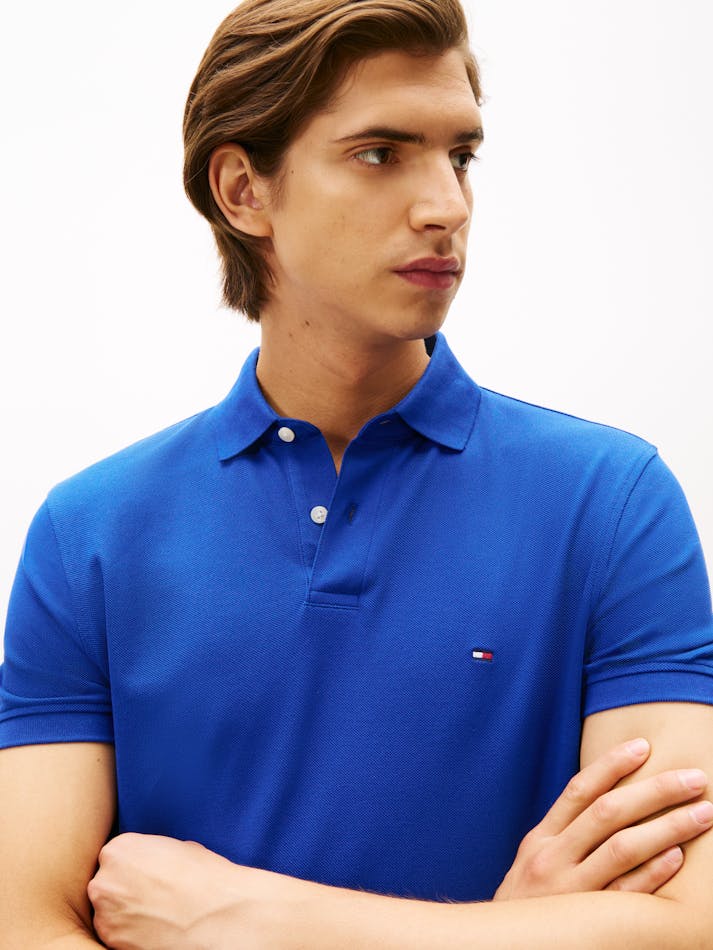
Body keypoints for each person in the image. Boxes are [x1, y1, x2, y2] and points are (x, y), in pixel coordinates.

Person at [2, 0, 713, 947]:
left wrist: (245, 919)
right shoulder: (89, 532)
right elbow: (27, 924)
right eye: (381, 153)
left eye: (460, 156)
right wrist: (511, 934)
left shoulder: (610, 503)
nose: (446, 205)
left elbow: (680, 925)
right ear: (243, 192)